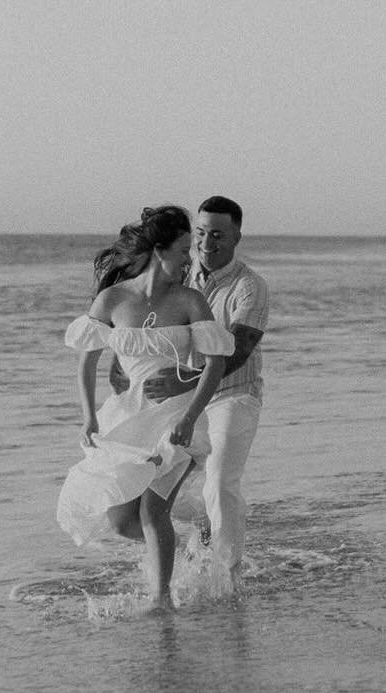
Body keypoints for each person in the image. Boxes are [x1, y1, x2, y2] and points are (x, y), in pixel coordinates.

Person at [56, 205, 234, 605]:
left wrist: (189, 416)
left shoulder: (190, 301)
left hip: (177, 415)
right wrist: (87, 416)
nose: (190, 259)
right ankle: (193, 532)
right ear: (158, 250)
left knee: (153, 512)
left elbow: (216, 364)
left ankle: (161, 601)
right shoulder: (113, 299)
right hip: (129, 416)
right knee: (121, 522)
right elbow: (87, 360)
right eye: (183, 250)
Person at [110, 194, 269, 576]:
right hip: (176, 400)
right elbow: (143, 322)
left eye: (217, 235)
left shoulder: (250, 287)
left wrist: (183, 382)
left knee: (219, 481)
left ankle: (226, 576)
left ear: (236, 238)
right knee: (137, 482)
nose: (205, 244)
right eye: (200, 233)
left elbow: (238, 352)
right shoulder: (179, 272)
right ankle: (194, 532)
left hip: (233, 394)